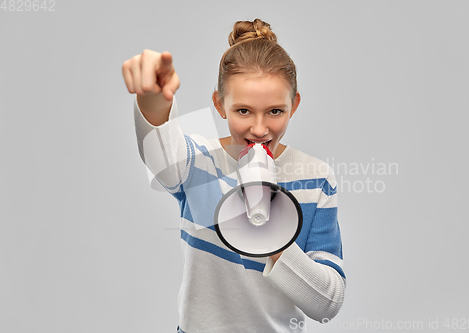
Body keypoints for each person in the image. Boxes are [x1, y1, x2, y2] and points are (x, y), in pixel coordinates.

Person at [122, 18, 346, 333]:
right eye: (243, 111)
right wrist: (153, 103)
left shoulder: (316, 177)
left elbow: (327, 305)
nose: (259, 128)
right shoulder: (200, 161)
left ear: (293, 105)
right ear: (219, 104)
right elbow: (163, 162)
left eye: (275, 111)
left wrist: (274, 239)